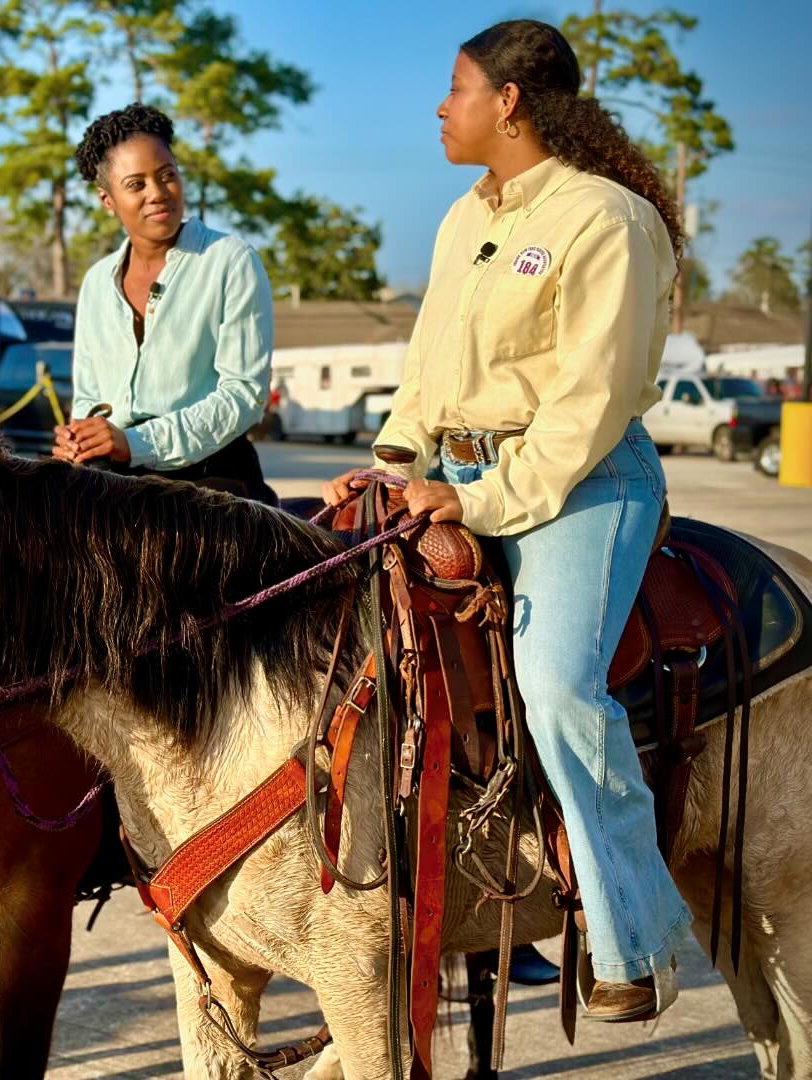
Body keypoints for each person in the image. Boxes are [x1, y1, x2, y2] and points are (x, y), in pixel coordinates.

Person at [324, 20, 688, 1021]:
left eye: (456, 87)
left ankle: (635, 940)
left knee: (559, 689)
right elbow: (429, 372)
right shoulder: (460, 219)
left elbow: (589, 403)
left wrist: (477, 499)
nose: (442, 108)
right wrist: (389, 467)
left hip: (584, 488)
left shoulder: (606, 219)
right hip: (454, 477)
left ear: (511, 103)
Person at [55, 104, 278, 506]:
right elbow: (89, 399)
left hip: (213, 485)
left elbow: (244, 395)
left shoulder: (230, 260)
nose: (157, 193)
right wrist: (80, 439)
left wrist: (134, 443)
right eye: (136, 184)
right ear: (108, 200)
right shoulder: (95, 284)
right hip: (114, 483)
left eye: (166, 176)